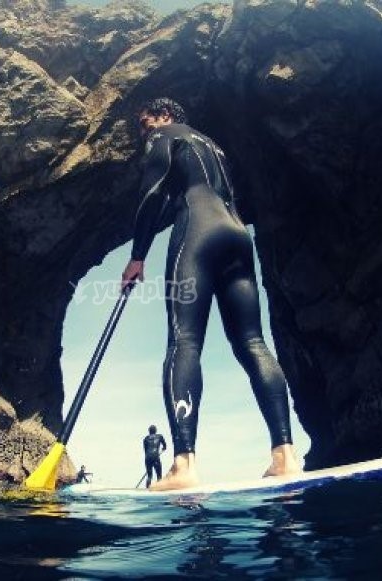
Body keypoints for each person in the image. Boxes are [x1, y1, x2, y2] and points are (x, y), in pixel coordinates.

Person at [120, 97, 302, 491]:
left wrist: (137, 257)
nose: (143, 132)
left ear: (165, 116)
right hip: (237, 235)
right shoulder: (212, 146)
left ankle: (183, 467)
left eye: (144, 122)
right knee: (253, 342)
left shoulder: (163, 136)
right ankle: (285, 456)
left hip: (197, 232)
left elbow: (151, 195)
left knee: (184, 340)